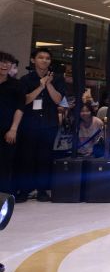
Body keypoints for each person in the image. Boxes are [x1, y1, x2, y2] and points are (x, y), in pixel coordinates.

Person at [15, 48, 66, 202]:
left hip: (49, 124)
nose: (44, 60)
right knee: (26, 158)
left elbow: (58, 100)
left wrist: (49, 84)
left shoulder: (57, 79)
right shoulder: (26, 79)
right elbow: (25, 100)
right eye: (41, 57)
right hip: (29, 124)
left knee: (45, 158)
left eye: (47, 58)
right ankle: (24, 190)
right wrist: (41, 86)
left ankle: (42, 190)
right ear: (33, 60)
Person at [0, 52, 23, 196]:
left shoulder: (17, 85)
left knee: (5, 163)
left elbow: (20, 108)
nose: (4, 65)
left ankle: (3, 196)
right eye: (1, 62)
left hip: (7, 129)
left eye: (8, 62)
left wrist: (13, 129)